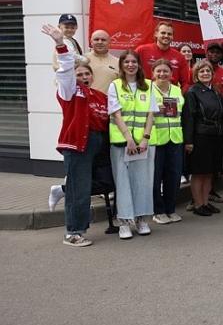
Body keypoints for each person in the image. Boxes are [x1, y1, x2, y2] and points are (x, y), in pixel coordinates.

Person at [42, 24, 108, 247]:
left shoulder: (99, 95)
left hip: (99, 145)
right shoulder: (70, 91)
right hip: (79, 145)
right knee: (79, 189)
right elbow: (65, 68)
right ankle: (74, 232)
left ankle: (63, 189)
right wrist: (61, 44)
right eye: (79, 74)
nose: (83, 76)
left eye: (86, 73)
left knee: (108, 180)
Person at [108, 49, 158, 239]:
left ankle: (142, 220)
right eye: (126, 62)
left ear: (139, 65)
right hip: (122, 143)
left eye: (134, 62)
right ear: (121, 65)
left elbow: (151, 114)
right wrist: (129, 138)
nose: (130, 65)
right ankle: (124, 223)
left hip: (143, 144)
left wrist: (145, 138)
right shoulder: (115, 86)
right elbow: (116, 114)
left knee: (143, 182)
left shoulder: (149, 86)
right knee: (123, 183)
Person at [182, 61, 223, 217]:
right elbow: (189, 118)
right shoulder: (192, 92)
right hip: (200, 136)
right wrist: (188, 141)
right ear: (196, 74)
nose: (205, 73)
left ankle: (206, 202)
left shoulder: (215, 92)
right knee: (199, 172)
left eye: (208, 71)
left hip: (215, 136)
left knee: (210, 172)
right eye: (202, 71)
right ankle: (198, 204)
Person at [150, 59, 184, 225]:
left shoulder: (177, 90)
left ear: (171, 74)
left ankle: (171, 208)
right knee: (156, 176)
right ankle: (158, 210)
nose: (162, 74)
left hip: (176, 138)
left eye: (166, 71)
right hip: (156, 139)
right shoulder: (147, 89)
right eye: (159, 71)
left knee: (174, 175)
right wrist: (157, 109)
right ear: (153, 73)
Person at [135, 21, 192, 92]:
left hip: (169, 99)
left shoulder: (179, 57)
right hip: (145, 95)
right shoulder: (141, 50)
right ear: (156, 33)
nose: (166, 36)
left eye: (169, 34)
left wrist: (180, 96)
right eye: (163, 33)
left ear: (173, 36)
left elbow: (186, 83)